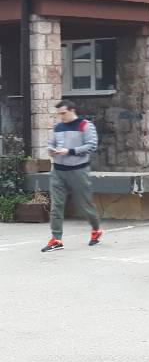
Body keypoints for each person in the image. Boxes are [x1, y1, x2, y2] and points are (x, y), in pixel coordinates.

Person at [41, 100, 103, 252]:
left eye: (63, 113)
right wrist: (51, 150)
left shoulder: (85, 125)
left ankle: (96, 230)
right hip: (58, 170)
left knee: (84, 205)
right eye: (59, 114)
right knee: (56, 205)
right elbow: (51, 143)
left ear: (72, 110)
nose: (61, 117)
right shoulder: (57, 128)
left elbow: (92, 145)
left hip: (78, 170)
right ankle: (56, 239)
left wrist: (70, 151)